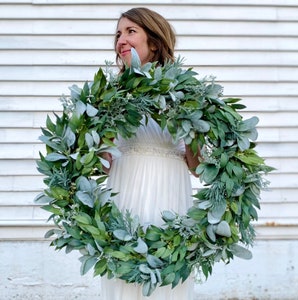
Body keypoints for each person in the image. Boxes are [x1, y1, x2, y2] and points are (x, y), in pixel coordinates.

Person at [102, 7, 200, 300]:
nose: (121, 39)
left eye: (131, 31)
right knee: (123, 279)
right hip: (125, 189)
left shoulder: (184, 94)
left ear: (154, 42)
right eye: (118, 33)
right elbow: (103, 163)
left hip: (168, 191)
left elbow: (197, 167)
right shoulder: (110, 94)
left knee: (167, 281)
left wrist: (196, 131)